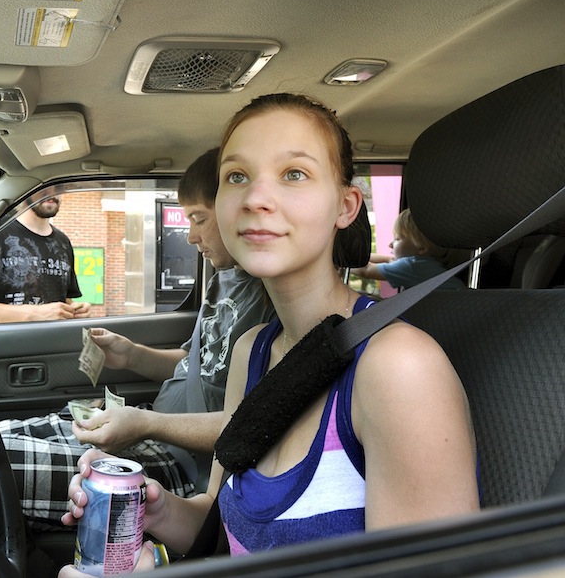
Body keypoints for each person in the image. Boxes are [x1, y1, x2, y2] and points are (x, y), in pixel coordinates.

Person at [61, 93, 479, 570]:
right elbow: (222, 530)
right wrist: (154, 510)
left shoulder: (399, 367)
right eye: (237, 176)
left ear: (345, 206)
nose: (256, 198)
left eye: (294, 174)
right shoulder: (252, 350)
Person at [0, 148, 274, 528]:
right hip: (152, 434)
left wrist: (145, 424)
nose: (191, 235)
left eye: (199, 219)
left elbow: (244, 425)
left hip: (180, 467)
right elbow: (191, 363)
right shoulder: (223, 279)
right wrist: (130, 356)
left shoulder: (269, 302)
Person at [0, 196, 92, 323]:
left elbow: (63, 298)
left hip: (55, 344)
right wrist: (34, 314)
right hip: (8, 345)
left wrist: (75, 309)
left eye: (58, 186)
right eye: (45, 186)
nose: (52, 193)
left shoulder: (62, 242)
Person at [351, 208, 466, 290]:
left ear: (421, 248)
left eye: (397, 239)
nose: (390, 245)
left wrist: (340, 260)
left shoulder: (411, 267)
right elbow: (390, 260)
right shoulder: (426, 265)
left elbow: (366, 270)